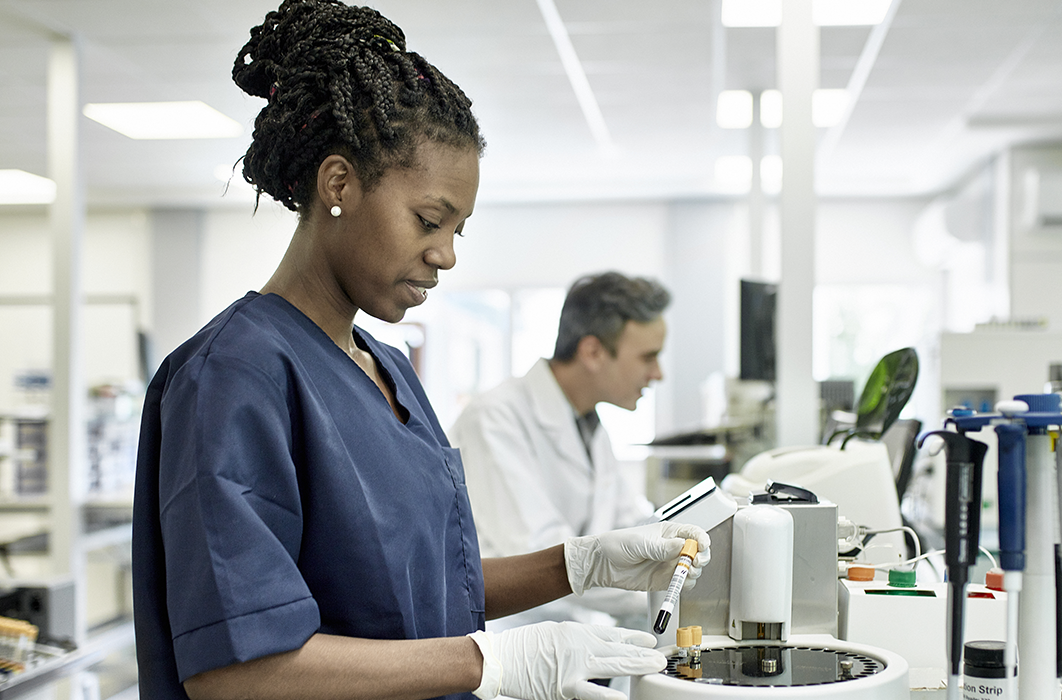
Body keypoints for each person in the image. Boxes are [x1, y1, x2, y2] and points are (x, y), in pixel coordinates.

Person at [130, 3, 709, 700]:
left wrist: (579, 565)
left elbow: (432, 588)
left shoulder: (389, 371)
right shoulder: (232, 376)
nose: (447, 255)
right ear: (338, 184)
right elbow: (236, 669)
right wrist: (488, 663)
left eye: (459, 227)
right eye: (430, 221)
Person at [449, 273, 669, 631]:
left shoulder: (590, 425)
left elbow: (629, 524)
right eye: (649, 357)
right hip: (518, 645)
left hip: (579, 628)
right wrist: (663, 585)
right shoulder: (495, 418)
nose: (657, 374)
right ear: (593, 352)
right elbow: (545, 557)